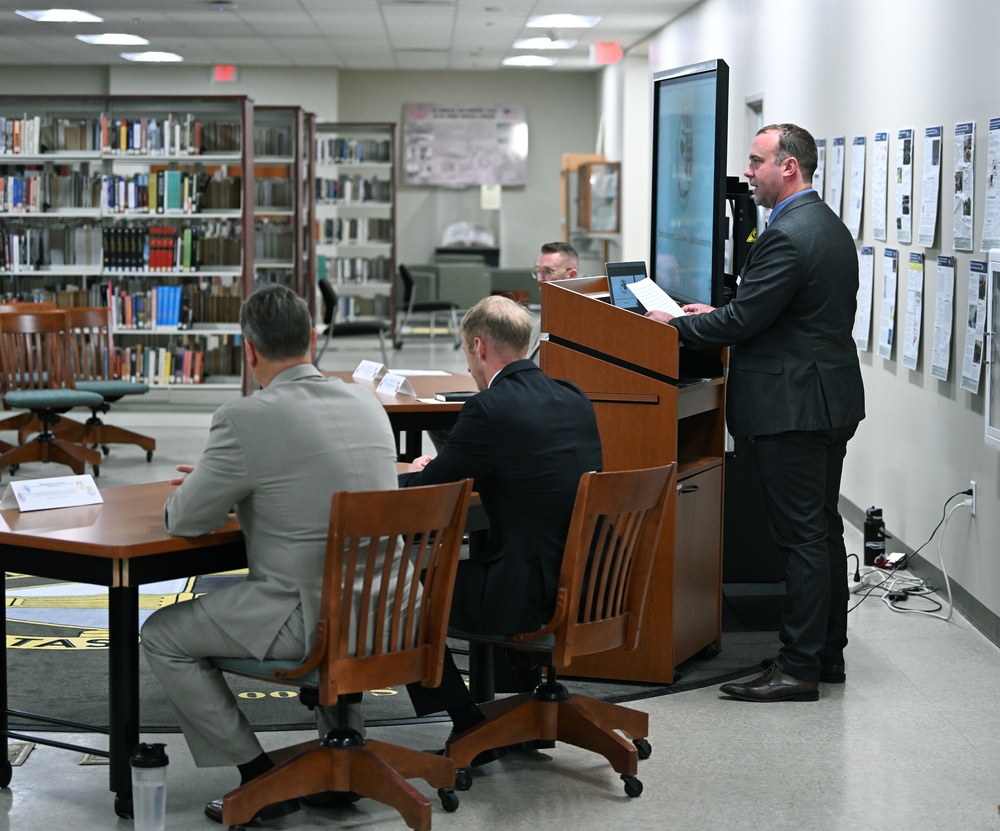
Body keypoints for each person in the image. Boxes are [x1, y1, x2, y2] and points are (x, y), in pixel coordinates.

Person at [140, 284, 399, 823]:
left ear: (249, 351)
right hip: (392, 611)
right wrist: (253, 487)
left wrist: (219, 486)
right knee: (334, 571)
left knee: (162, 635)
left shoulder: (244, 419)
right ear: (311, 338)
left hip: (310, 621)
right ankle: (340, 755)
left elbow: (185, 520)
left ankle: (257, 776)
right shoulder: (366, 399)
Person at [646, 123, 865, 703]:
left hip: (791, 408)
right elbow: (773, 310)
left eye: (756, 160)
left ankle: (797, 668)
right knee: (819, 531)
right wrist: (718, 308)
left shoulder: (787, 235)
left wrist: (677, 324)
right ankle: (823, 655)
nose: (748, 171)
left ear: (788, 167)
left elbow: (745, 324)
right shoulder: (827, 226)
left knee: (799, 539)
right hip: (826, 400)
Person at [400, 294, 602, 748]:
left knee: (403, 596)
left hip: (531, 597)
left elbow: (431, 490)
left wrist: (418, 473)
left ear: (479, 347)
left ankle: (467, 719)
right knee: (501, 551)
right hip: (595, 586)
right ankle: (518, 708)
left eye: (467, 355)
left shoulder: (488, 409)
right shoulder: (574, 397)